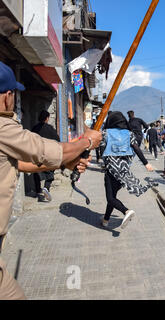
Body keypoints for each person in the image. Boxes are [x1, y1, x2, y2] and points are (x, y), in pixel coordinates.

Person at [0, 61, 101, 300]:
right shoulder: (3, 127)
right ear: (7, 96)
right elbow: (47, 151)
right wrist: (86, 143)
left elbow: (20, 163)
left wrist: (66, 162)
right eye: (13, 94)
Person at [99, 111, 154, 229]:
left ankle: (126, 211)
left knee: (110, 198)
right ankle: (106, 220)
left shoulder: (106, 133)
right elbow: (136, 148)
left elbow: (102, 149)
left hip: (111, 170)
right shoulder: (129, 134)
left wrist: (105, 160)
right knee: (113, 196)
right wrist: (146, 163)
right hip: (124, 171)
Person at [31, 110, 61, 202]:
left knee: (36, 171)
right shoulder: (50, 129)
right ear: (47, 118)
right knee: (50, 171)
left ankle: (37, 190)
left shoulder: (34, 128)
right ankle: (46, 188)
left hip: (36, 154)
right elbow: (57, 140)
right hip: (48, 154)